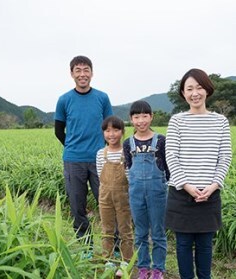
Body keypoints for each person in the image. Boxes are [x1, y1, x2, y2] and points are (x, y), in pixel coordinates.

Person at [165, 68, 232, 279]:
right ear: (183, 94)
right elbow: (171, 156)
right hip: (182, 193)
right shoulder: (177, 120)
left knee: (205, 245)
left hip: (209, 194)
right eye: (189, 89)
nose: (195, 93)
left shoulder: (220, 121)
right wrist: (188, 186)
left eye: (199, 87)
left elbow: (225, 157)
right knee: (183, 244)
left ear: (207, 91)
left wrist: (213, 186)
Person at [54, 55, 113, 253]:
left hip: (99, 160)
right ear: (72, 74)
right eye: (78, 70)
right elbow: (58, 131)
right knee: (77, 207)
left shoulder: (102, 98)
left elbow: (110, 127)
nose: (82, 74)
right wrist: (72, 146)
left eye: (86, 70)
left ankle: (113, 246)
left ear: (92, 73)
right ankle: (86, 248)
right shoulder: (64, 100)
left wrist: (102, 149)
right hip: (73, 161)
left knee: (106, 203)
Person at [123, 100, 169, 279]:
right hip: (135, 193)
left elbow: (167, 169)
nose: (141, 120)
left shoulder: (161, 141)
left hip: (157, 192)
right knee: (140, 232)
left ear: (151, 117)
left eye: (144, 116)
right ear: (131, 119)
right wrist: (133, 186)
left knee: (158, 232)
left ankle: (158, 269)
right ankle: (143, 268)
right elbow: (128, 168)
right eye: (136, 117)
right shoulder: (128, 143)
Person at [96, 115, 133, 277]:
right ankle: (108, 260)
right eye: (107, 130)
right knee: (107, 229)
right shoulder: (100, 154)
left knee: (125, 229)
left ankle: (126, 261)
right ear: (103, 133)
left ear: (123, 132)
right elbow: (99, 175)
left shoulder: (127, 152)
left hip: (124, 197)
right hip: (104, 197)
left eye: (116, 130)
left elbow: (130, 176)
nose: (112, 134)